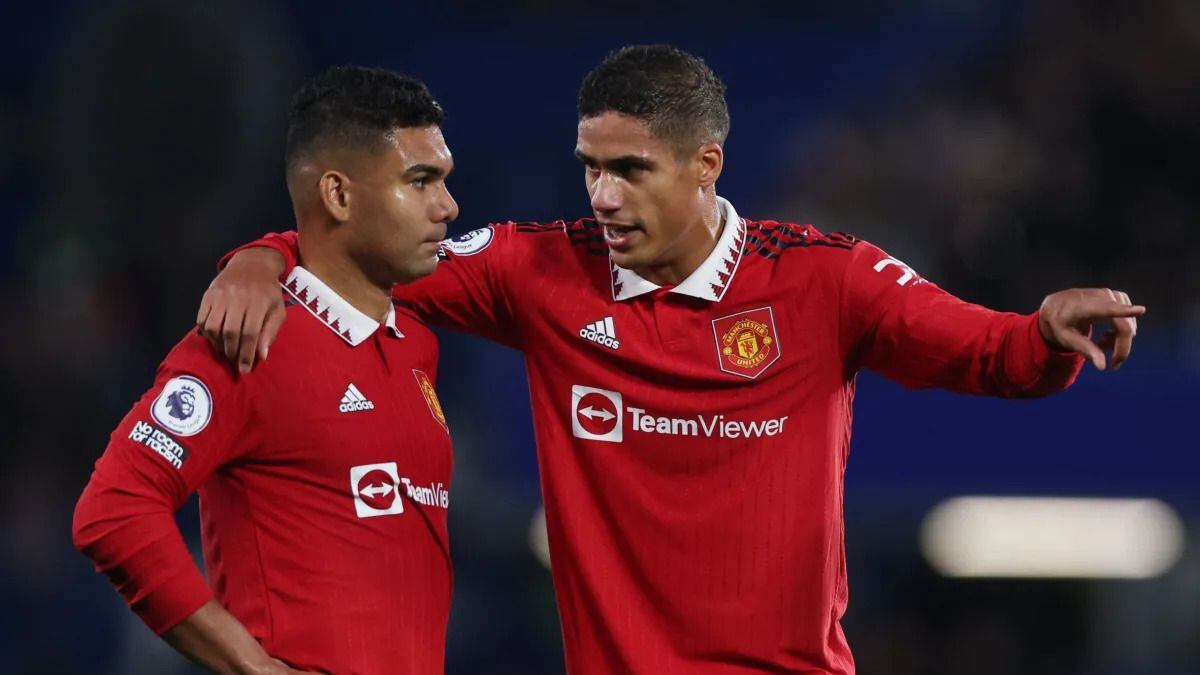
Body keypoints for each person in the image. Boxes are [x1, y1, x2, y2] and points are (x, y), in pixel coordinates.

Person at [204, 46, 1143, 674]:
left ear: (706, 165)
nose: (602, 196)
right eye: (589, 165)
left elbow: (986, 350)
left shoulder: (826, 281)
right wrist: (262, 256)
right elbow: (367, 252)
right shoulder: (535, 271)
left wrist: (1045, 333)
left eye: (631, 170)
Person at [73, 65, 459, 674]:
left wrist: (262, 253)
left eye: (444, 180)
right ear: (337, 195)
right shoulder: (247, 339)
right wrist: (252, 668)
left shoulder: (415, 342)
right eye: (421, 181)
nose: (448, 206)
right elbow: (113, 509)